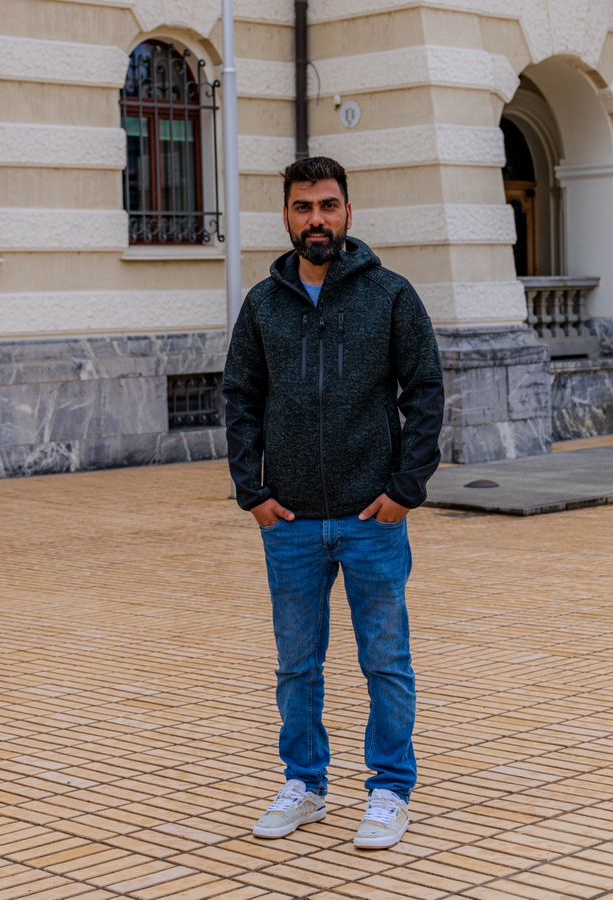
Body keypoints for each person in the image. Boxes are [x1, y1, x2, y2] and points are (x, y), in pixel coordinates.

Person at [222, 156, 444, 850]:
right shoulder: (263, 304)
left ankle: (390, 790)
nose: (315, 219)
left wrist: (405, 490)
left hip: (371, 518)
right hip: (289, 521)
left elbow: (426, 393)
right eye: (302, 207)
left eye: (326, 205)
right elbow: (239, 399)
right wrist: (253, 492)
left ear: (348, 212)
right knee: (296, 666)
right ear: (287, 216)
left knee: (385, 661)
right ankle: (305, 785)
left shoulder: (391, 296)